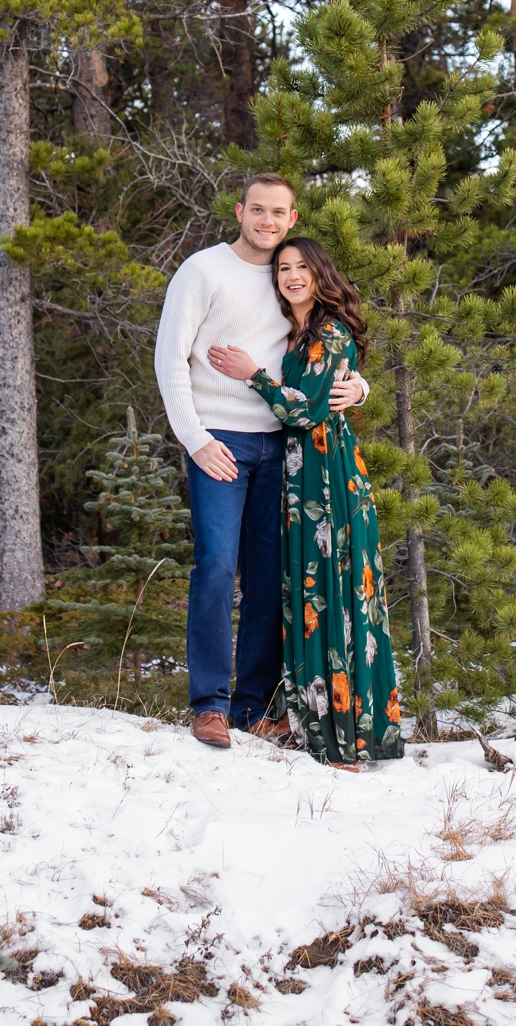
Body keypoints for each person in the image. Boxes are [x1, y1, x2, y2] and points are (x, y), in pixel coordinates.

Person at [155, 173, 366, 750]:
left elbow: (316, 342)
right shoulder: (203, 271)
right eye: (258, 210)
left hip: (284, 446)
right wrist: (194, 438)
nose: (267, 221)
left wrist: (359, 386)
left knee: (274, 579)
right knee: (218, 565)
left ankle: (253, 707)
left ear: (292, 218)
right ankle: (209, 705)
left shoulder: (290, 274)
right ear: (240, 210)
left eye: (279, 212)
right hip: (219, 440)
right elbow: (169, 359)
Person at [207, 236, 403, 771]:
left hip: (329, 478)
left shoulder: (330, 332)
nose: (292, 276)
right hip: (302, 479)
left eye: (302, 268)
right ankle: (315, 724)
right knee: (309, 595)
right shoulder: (296, 332)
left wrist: (253, 375)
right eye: (283, 268)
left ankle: (346, 739)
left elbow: (307, 411)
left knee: (334, 595)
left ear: (321, 274)